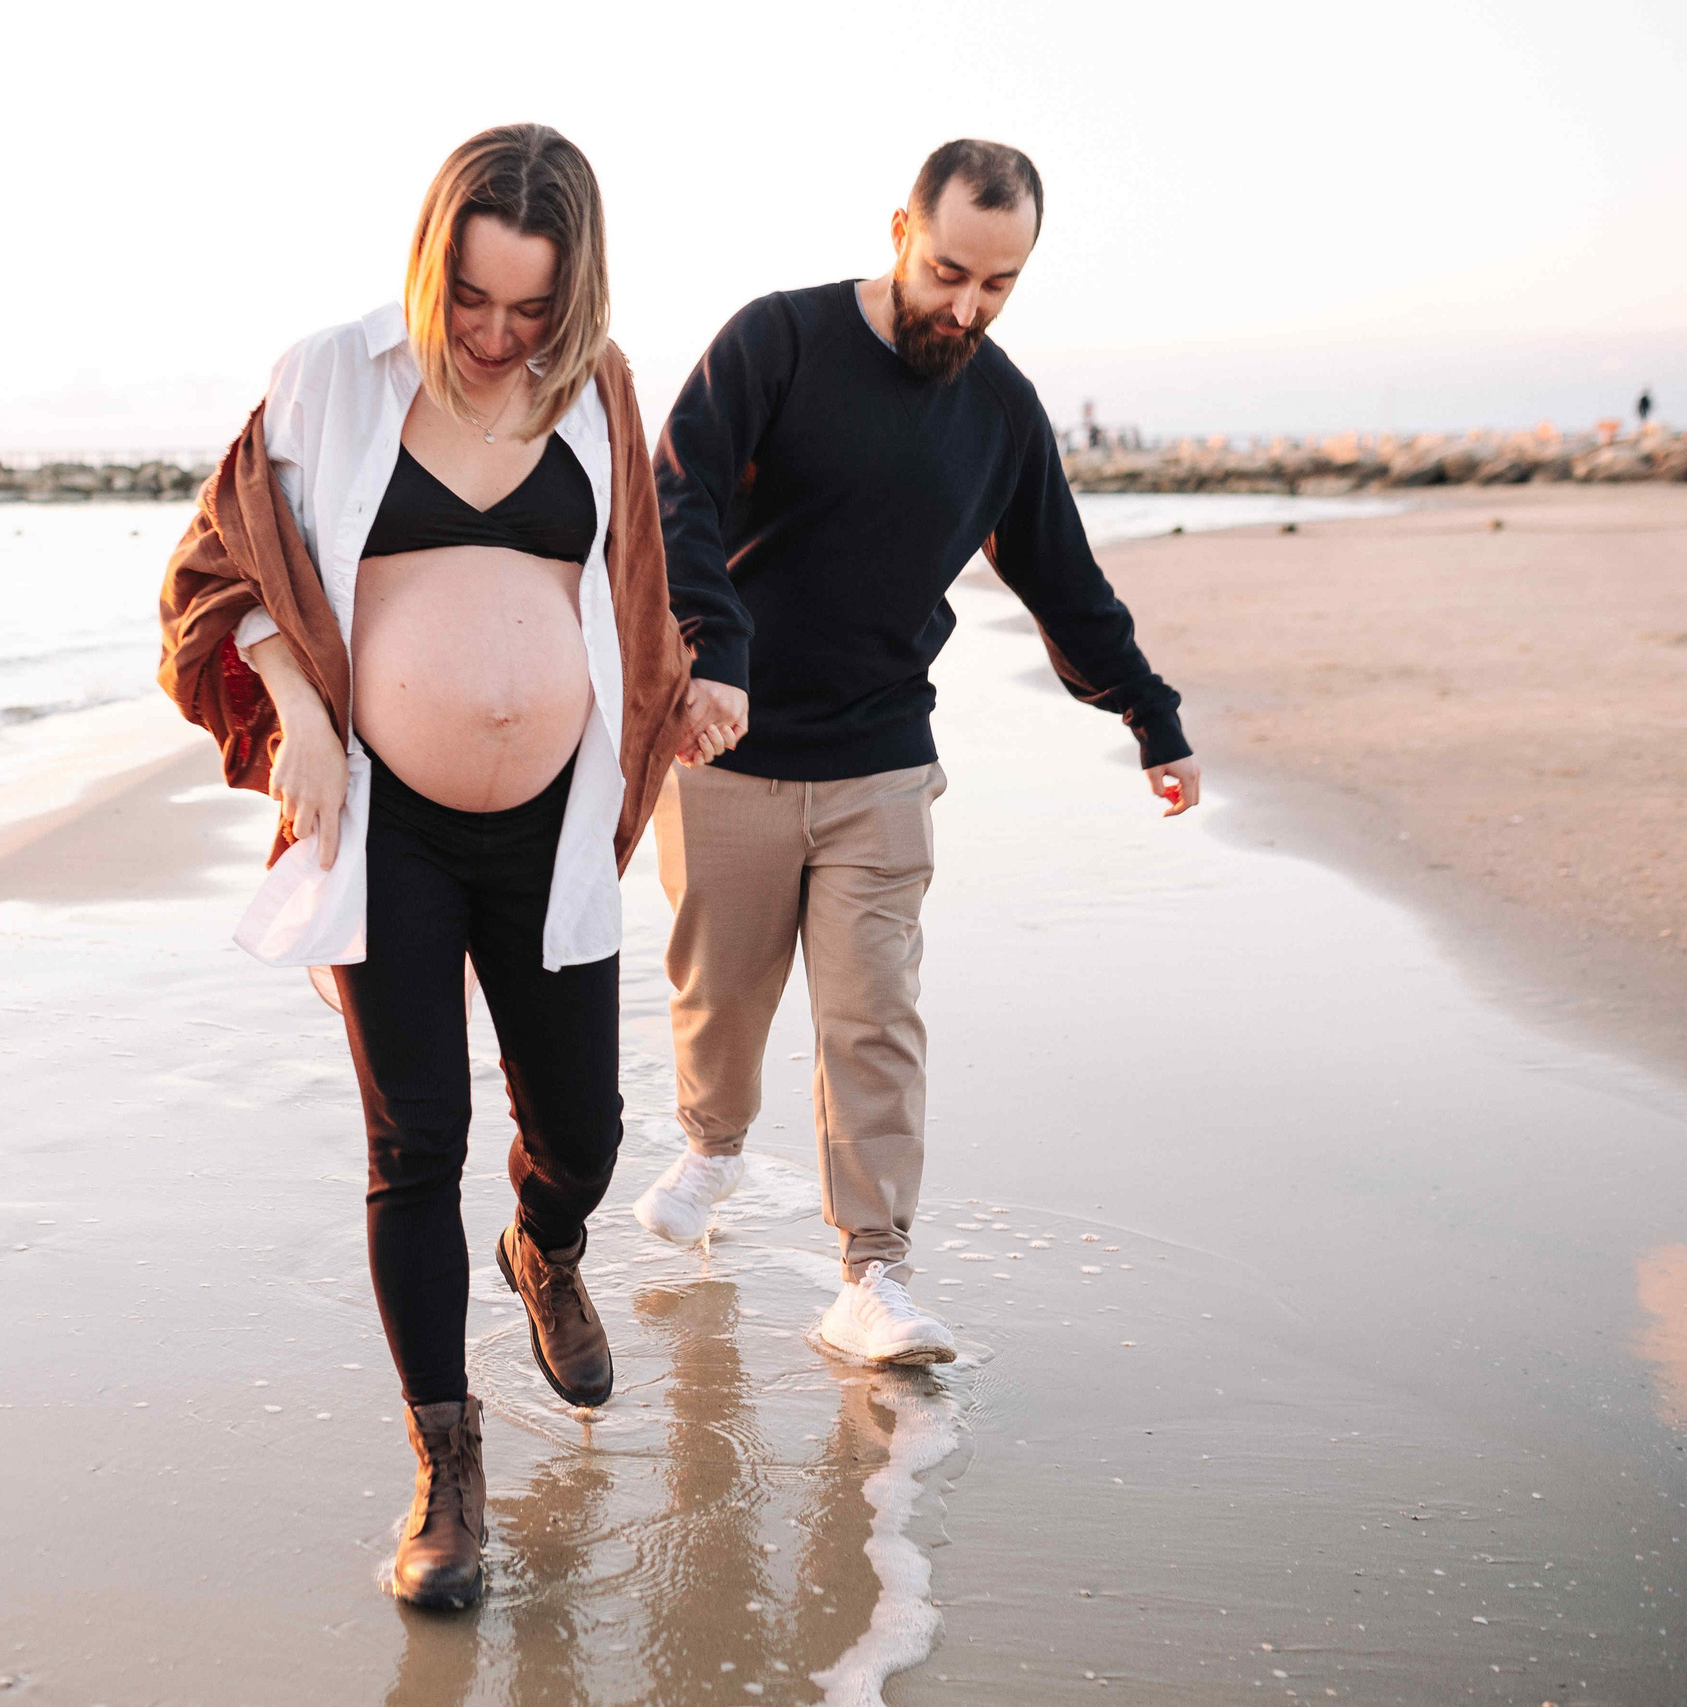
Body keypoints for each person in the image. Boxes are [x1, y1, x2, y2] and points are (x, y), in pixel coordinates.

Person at [158, 124, 691, 1610]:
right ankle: (447, 1468)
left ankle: (548, 1239)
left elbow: (645, 575)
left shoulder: (597, 387)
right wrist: (305, 716)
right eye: (472, 299)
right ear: (429, 262)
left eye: (533, 308)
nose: (498, 336)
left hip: (553, 826)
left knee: (581, 1120)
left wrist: (688, 683)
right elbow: (216, 565)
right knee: (415, 1140)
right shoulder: (329, 377)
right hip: (386, 824)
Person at [636, 138, 1201, 1367]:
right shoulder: (775, 341)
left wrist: (1147, 714)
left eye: (999, 286)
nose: (967, 306)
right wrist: (710, 648)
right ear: (900, 227)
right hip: (725, 745)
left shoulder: (998, 410)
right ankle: (714, 1143)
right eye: (949, 271)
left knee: (871, 1020)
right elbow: (674, 494)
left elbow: (1060, 571)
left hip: (882, 757)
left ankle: (872, 1276)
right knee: (719, 994)